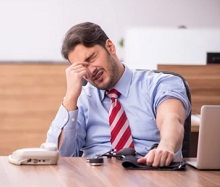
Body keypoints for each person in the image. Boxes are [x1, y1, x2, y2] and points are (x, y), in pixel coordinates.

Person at [45, 22, 191, 167]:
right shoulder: (82, 99)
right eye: (81, 67)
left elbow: (172, 118)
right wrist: (70, 97)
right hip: (97, 179)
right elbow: (60, 155)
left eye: (91, 59)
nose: (90, 71)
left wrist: (166, 146)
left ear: (110, 47)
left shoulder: (159, 84)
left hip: (150, 172)